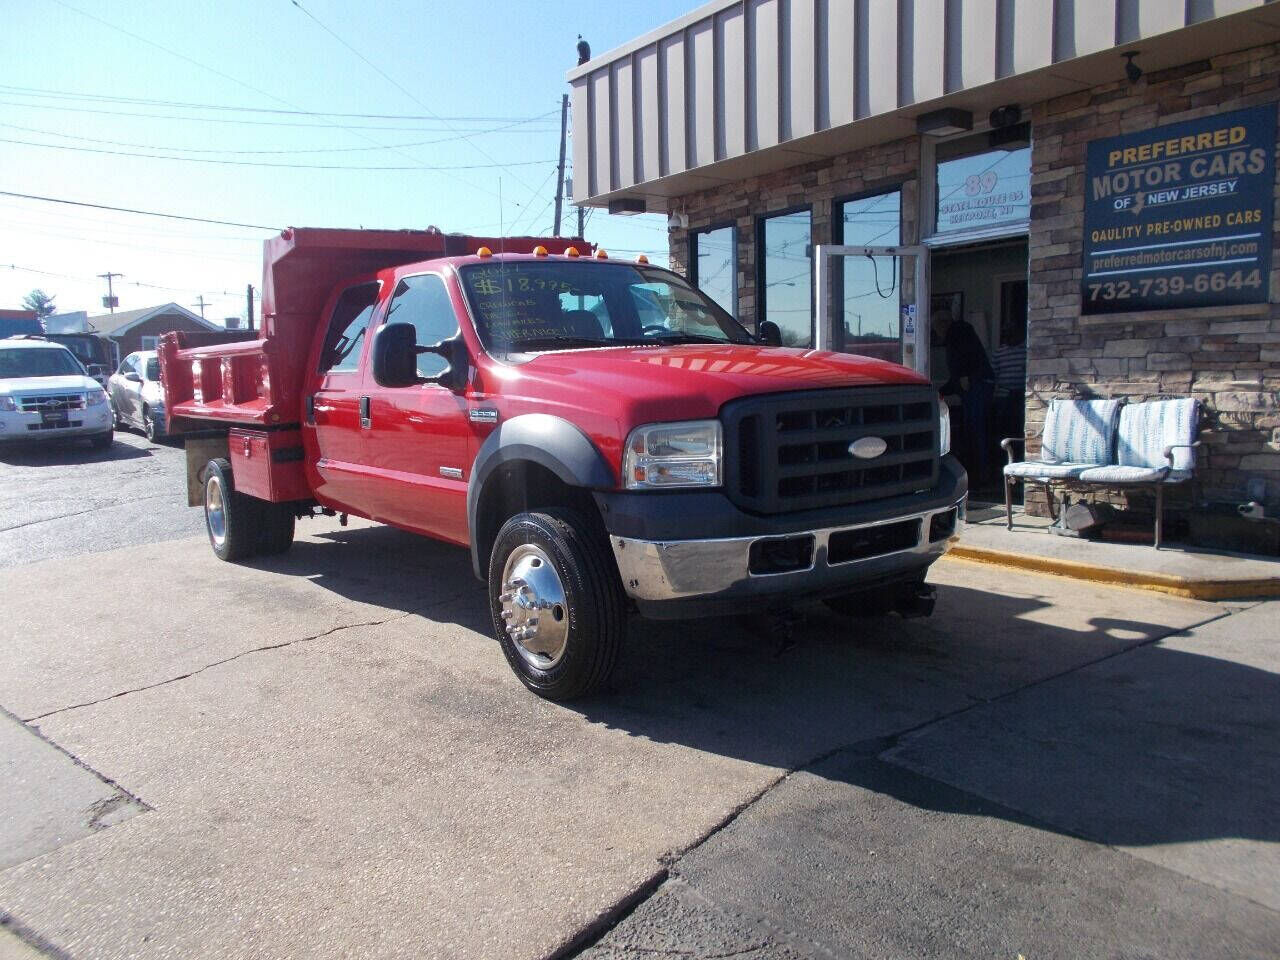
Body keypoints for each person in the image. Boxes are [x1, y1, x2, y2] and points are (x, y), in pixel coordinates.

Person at [936, 309, 995, 483]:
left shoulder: (957, 332)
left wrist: (961, 379)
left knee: (975, 431)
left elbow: (961, 367)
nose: (936, 333)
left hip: (977, 385)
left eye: (936, 327)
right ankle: (978, 474)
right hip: (978, 383)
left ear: (942, 324)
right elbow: (956, 378)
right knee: (974, 430)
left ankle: (980, 475)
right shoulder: (960, 331)